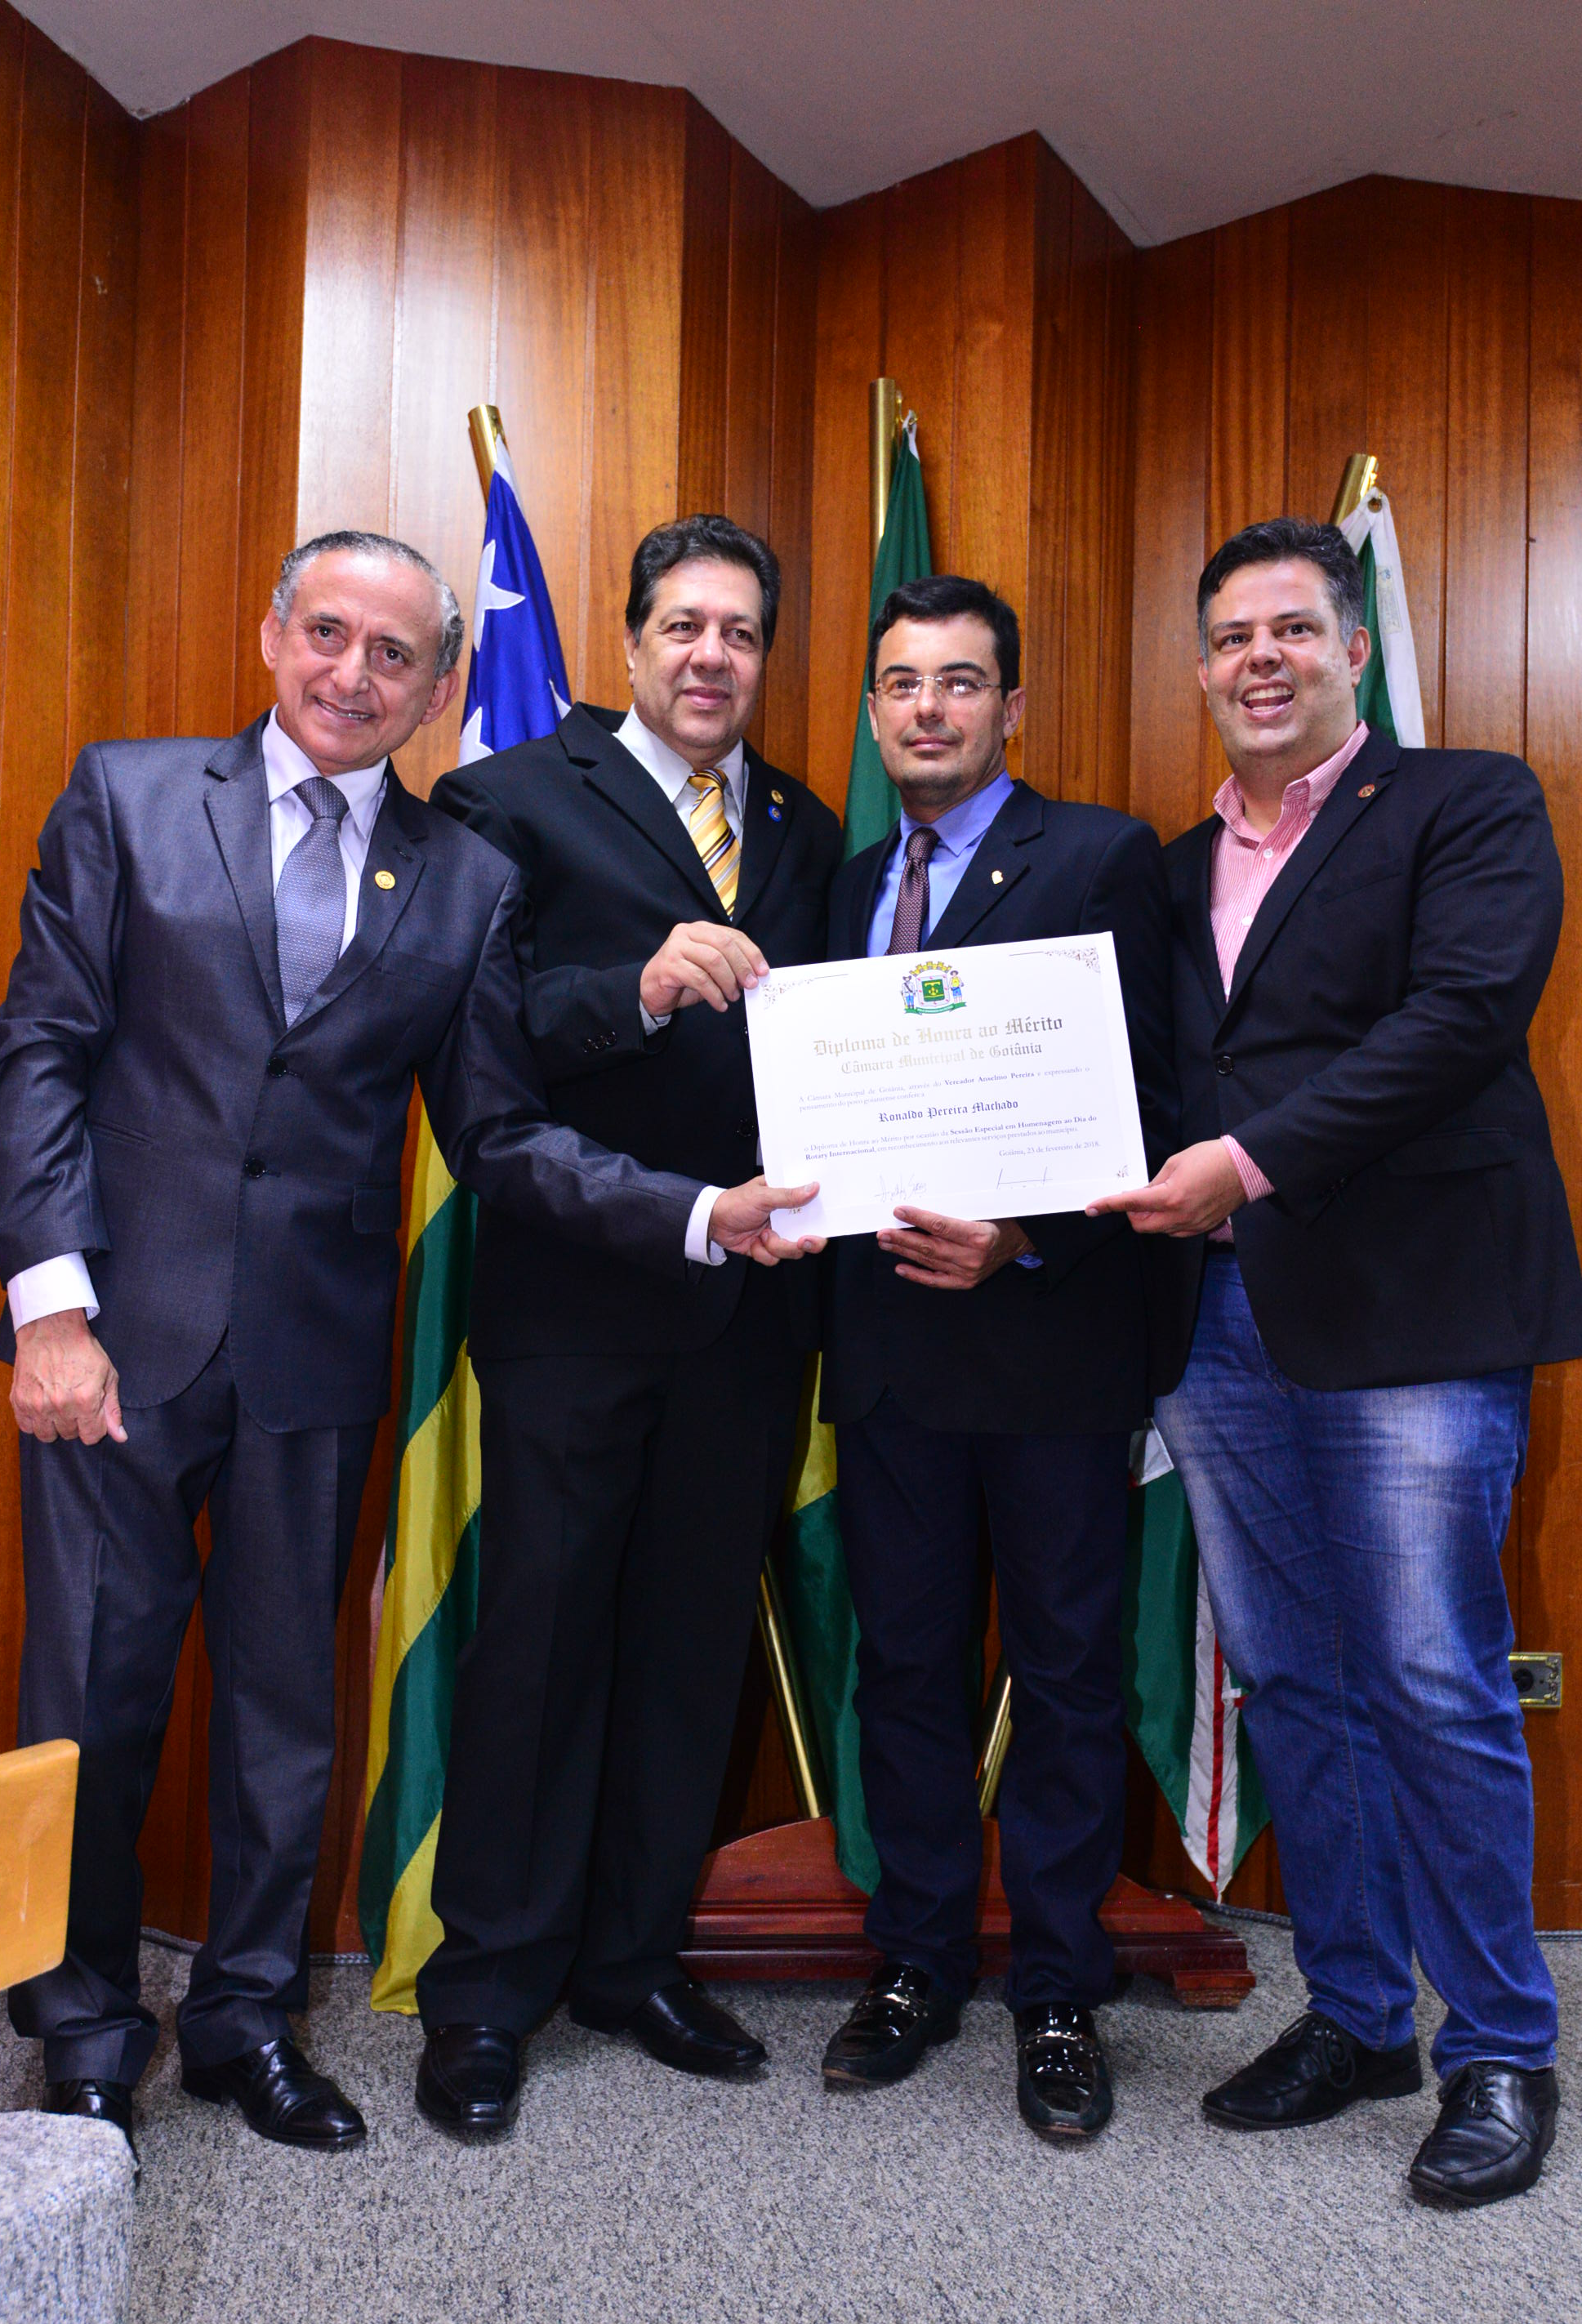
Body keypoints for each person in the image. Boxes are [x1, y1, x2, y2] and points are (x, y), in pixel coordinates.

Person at [0, 530, 810, 2168]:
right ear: (272, 632)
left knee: (286, 1712)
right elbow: (38, 1058)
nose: (351, 675)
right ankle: (81, 2028)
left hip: (314, 1347)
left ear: (438, 688)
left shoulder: (462, 877)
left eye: (393, 655)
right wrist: (50, 1307)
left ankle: (246, 2022)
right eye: (327, 635)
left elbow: (500, 1131)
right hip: (113, 1340)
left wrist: (699, 1215)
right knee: (92, 1701)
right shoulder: (130, 795)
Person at [1091, 516, 1582, 2208]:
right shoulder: (1168, 871)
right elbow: (1131, 1076)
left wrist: (1243, 1163)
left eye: (1293, 629)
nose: (1261, 659)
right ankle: (1359, 2011)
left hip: (1411, 1312)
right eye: (1231, 635)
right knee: (1292, 1676)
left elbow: (1460, 1021)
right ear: (1202, 665)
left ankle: (1500, 2045)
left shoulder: (1466, 804)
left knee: (1431, 1675)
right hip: (1220, 1321)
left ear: (1354, 649)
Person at [416, 515, 841, 2139]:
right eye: (683, 625)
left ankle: (631, 1958)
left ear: (763, 653)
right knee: (538, 1643)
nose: (711, 655)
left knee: (687, 1644)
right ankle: (485, 1990)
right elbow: (476, 1043)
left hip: (751, 1312)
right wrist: (639, 987)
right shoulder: (506, 799)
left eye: (740, 631)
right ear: (630, 638)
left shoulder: (802, 824)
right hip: (577, 1303)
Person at [814, 575, 1177, 2142]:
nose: (929, 709)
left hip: (1048, 1345)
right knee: (902, 1666)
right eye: (903, 683)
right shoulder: (846, 885)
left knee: (1069, 1673)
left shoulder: (1099, 857)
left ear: (1011, 707)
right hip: (889, 1352)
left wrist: (1024, 1237)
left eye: (960, 682)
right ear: (873, 709)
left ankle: (1060, 1989)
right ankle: (916, 1961)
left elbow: (1152, 1091)